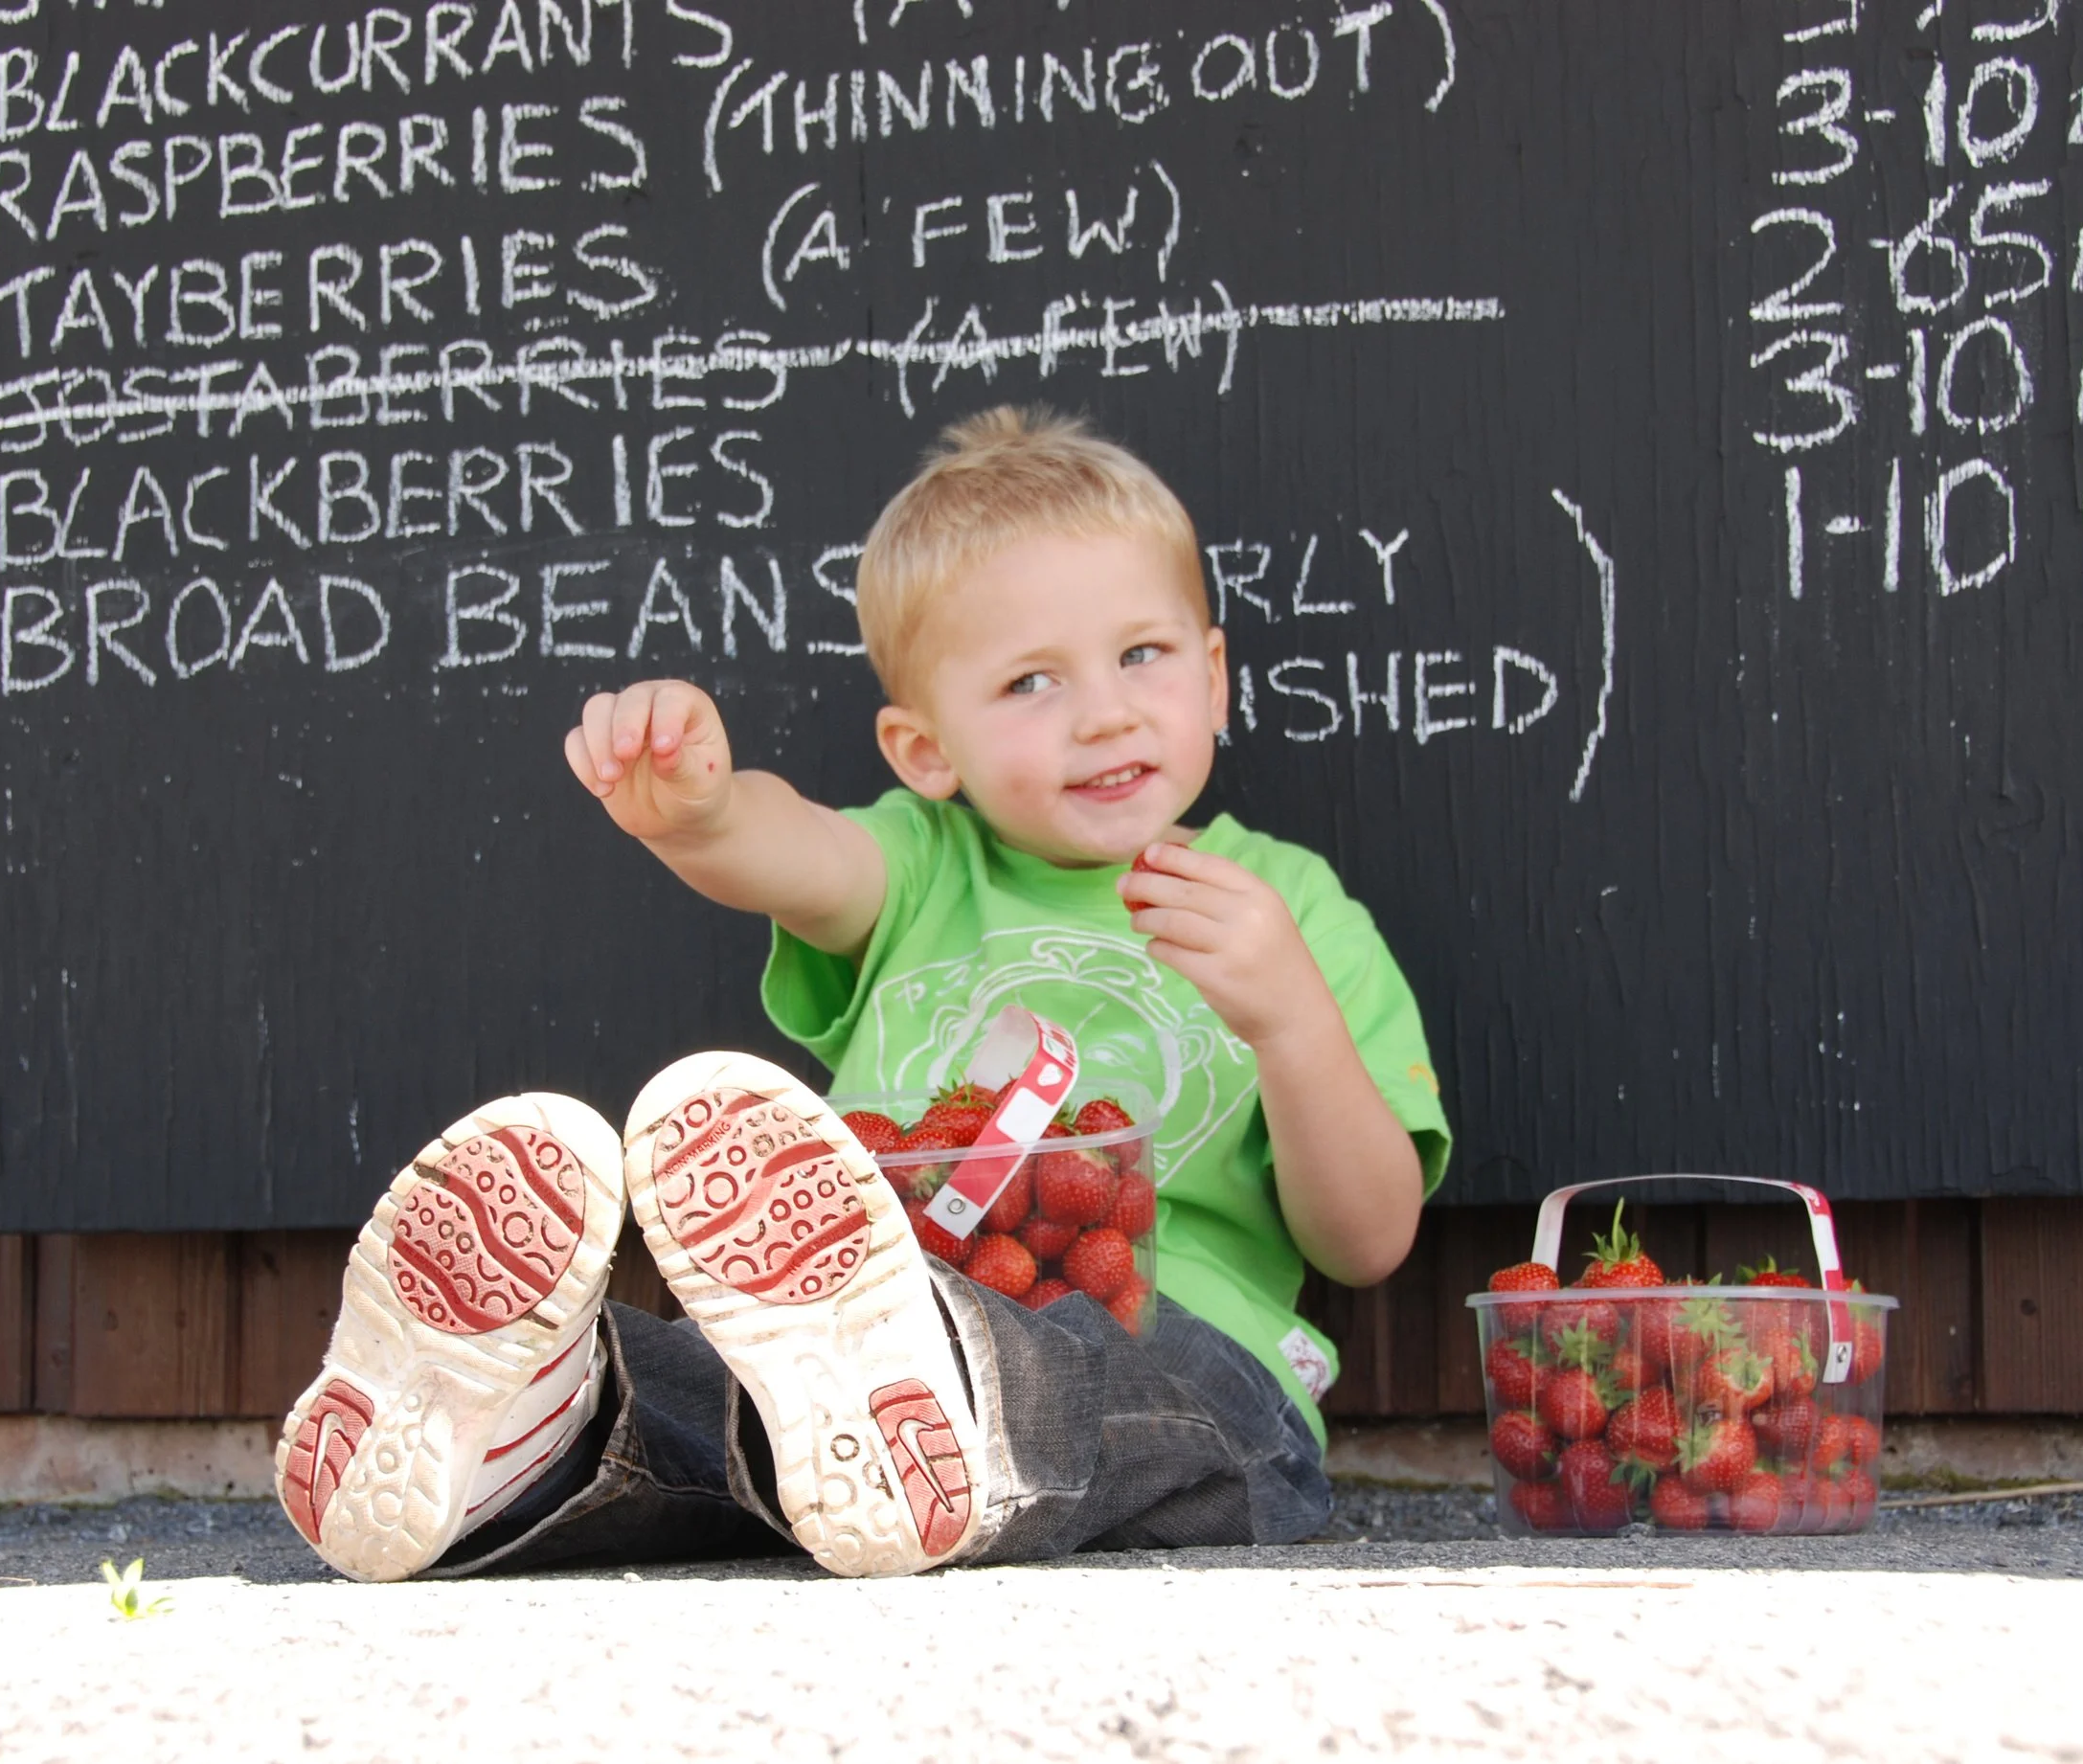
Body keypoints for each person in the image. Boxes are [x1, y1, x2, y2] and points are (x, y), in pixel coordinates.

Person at [278, 408, 1451, 1582]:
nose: (1103, 710)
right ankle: (522, 1432)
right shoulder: (927, 867)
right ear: (925, 749)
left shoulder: (1290, 906)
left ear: (1213, 675)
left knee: (1158, 1402)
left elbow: (1364, 1239)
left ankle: (914, 1426)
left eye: (1142, 656)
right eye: (1031, 681)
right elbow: (795, 852)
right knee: (715, 1398)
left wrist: (1292, 1020)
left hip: (1188, 1351)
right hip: (854, 1342)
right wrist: (704, 814)